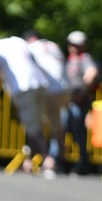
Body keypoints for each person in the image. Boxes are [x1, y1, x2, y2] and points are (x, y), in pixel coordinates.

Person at [0, 36, 56, 176]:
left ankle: (48, 159)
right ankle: (29, 161)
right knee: (36, 124)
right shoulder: (18, 41)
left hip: (22, 87)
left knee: (32, 127)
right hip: (39, 83)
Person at [24, 30, 71, 173]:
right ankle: (62, 159)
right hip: (64, 89)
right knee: (56, 125)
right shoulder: (53, 45)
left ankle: (42, 160)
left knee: (35, 124)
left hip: (47, 90)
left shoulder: (31, 47)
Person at [62, 30, 100, 175]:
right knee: (62, 129)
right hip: (67, 100)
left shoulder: (85, 58)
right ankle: (60, 161)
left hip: (78, 101)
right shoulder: (69, 59)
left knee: (78, 132)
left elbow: (92, 73)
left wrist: (82, 93)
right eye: (72, 44)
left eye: (77, 45)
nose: (74, 47)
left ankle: (82, 164)